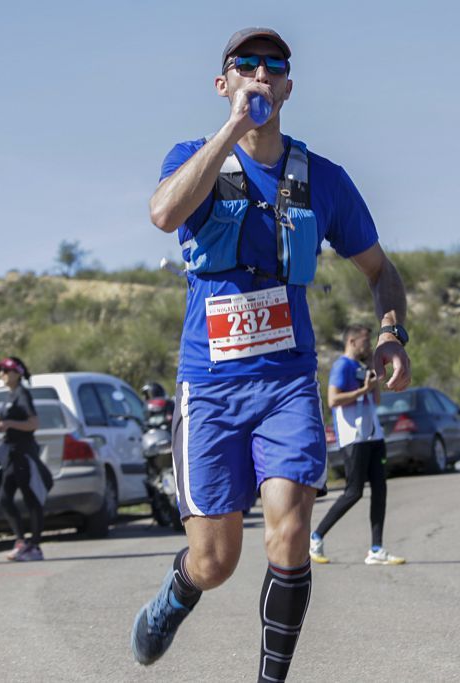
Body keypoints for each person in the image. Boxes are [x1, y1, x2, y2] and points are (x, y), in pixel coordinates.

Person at [130, 27, 412, 682]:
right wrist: (230, 133)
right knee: (216, 560)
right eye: (245, 65)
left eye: (273, 66)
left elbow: (380, 270)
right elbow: (164, 214)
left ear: (288, 86)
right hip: (211, 388)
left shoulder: (324, 182)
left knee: (288, 533)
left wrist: (393, 331)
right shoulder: (193, 156)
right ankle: (177, 593)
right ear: (224, 83)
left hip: (286, 385)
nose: (260, 74)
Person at [309, 324, 405, 566]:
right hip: (354, 438)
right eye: (365, 341)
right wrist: (362, 389)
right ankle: (316, 537)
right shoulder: (342, 366)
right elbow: (333, 400)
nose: (369, 345)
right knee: (353, 492)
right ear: (351, 342)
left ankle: (376, 548)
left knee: (380, 490)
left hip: (373, 436)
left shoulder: (362, 366)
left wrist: (372, 384)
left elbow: (375, 398)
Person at [0, 356, 45, 562]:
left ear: (16, 373)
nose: (1, 374)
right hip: (10, 454)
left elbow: (33, 423)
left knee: (32, 498)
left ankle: (35, 546)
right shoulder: (10, 395)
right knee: (4, 497)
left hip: (23, 453)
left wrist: (9, 423)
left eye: (5, 370)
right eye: (0, 370)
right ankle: (22, 541)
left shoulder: (22, 394)